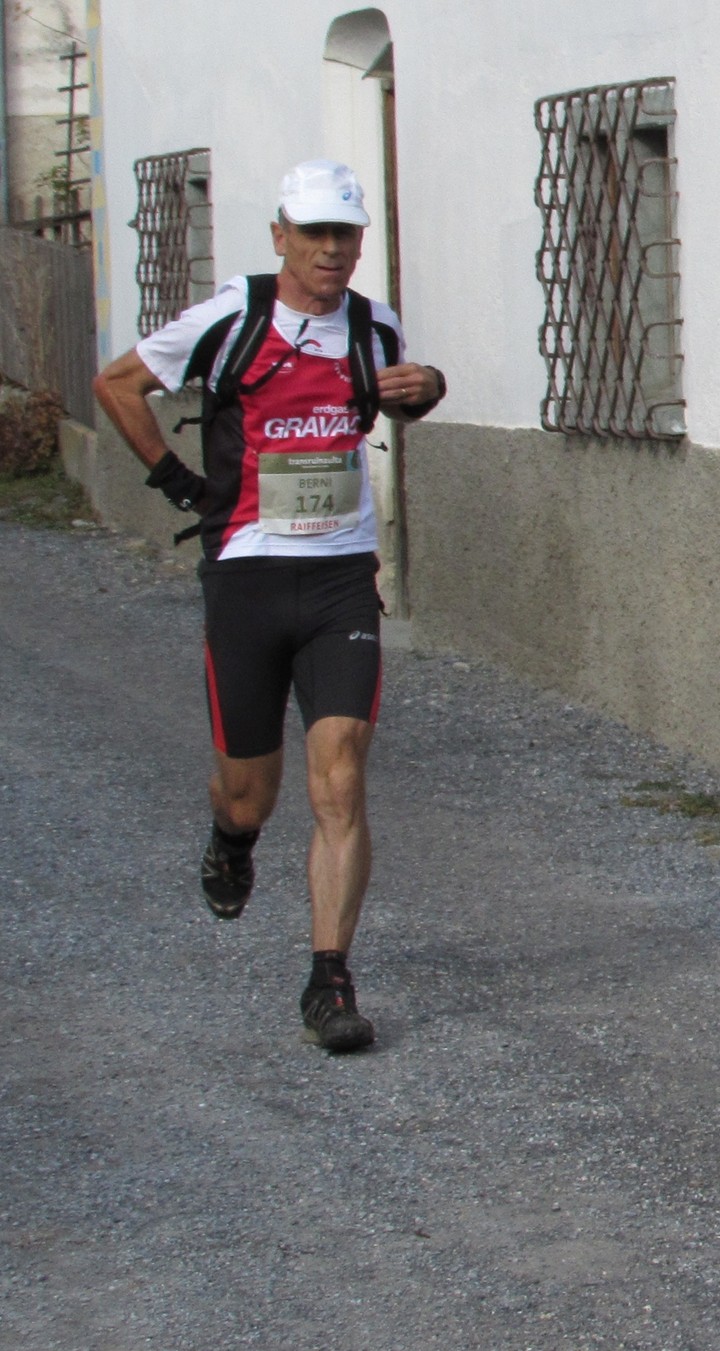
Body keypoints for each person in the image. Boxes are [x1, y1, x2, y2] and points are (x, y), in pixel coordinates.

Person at [93, 159, 445, 1054]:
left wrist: (425, 389)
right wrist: (178, 483)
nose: (332, 251)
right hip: (247, 574)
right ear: (281, 235)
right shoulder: (232, 316)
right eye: (316, 234)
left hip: (338, 577)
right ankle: (230, 837)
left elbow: (398, 398)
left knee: (341, 777)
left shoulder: (373, 326)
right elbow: (117, 383)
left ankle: (330, 979)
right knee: (252, 792)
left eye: (347, 235)